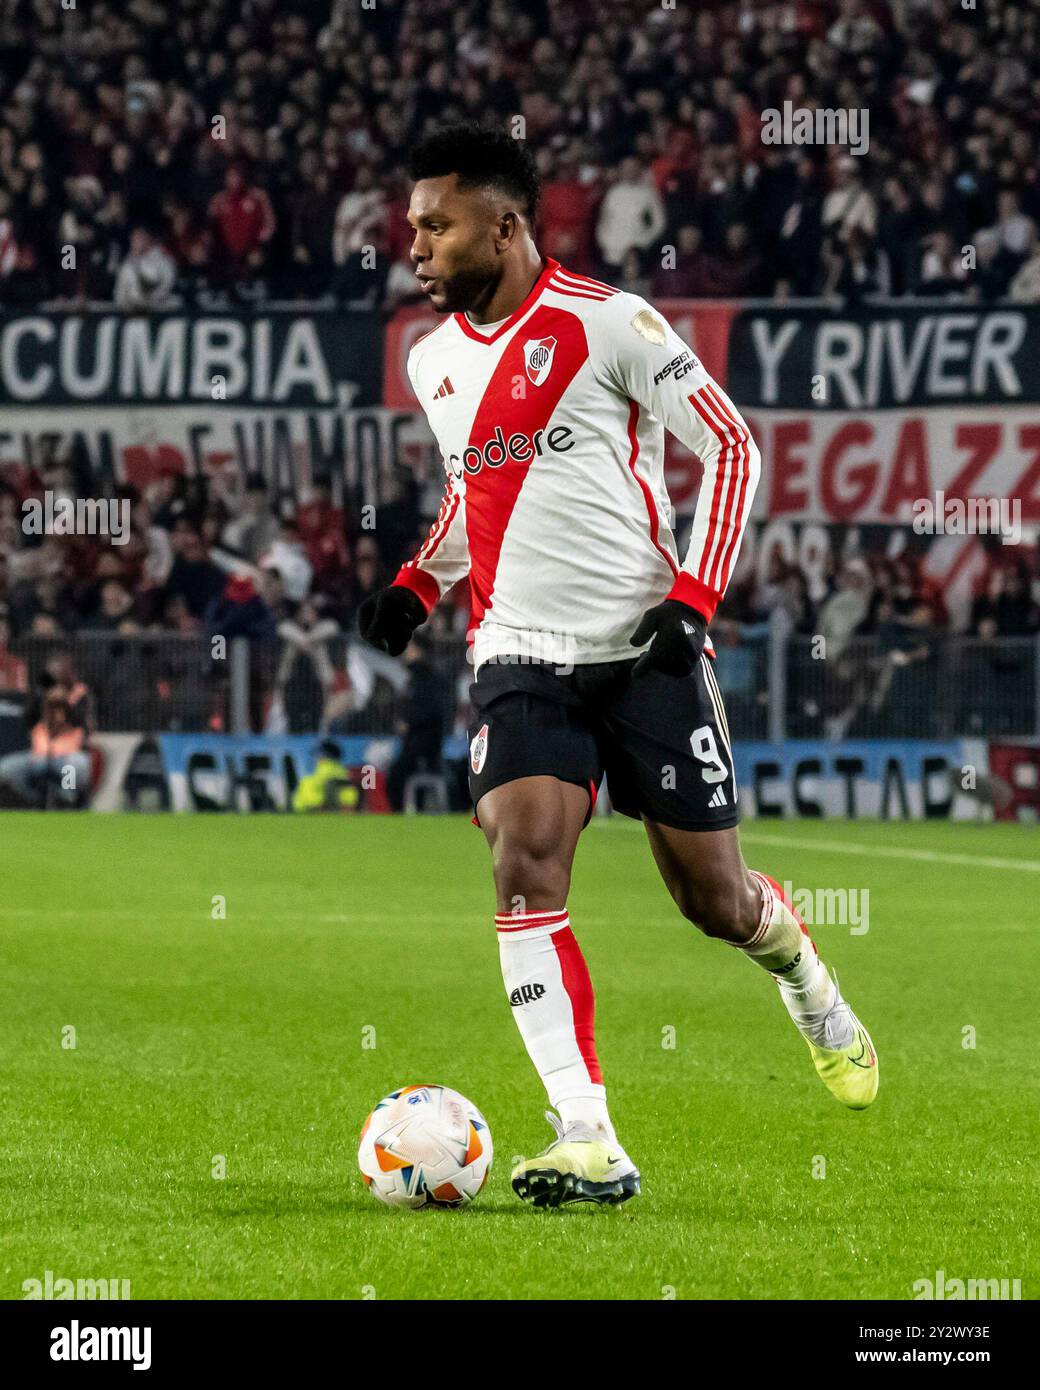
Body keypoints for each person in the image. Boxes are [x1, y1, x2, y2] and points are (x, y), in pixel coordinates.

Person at [359, 124, 878, 1212]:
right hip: (518, 655)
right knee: (522, 860)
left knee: (713, 899)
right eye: (410, 223)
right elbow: (475, 489)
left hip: (644, 650)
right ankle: (586, 1134)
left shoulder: (609, 324)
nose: (410, 242)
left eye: (433, 223)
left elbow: (729, 445)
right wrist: (419, 582)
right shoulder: (432, 357)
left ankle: (808, 983)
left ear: (502, 226)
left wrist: (692, 598)